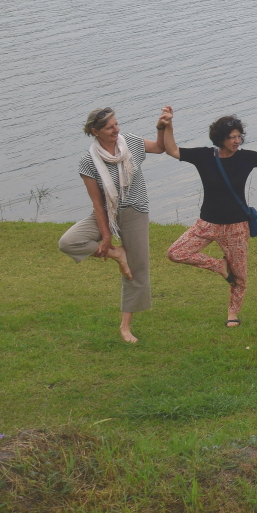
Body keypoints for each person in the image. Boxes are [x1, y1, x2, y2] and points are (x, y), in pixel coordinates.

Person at [58, 105, 172, 343]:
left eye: (116, 124)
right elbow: (97, 204)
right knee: (69, 241)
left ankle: (125, 327)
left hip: (134, 211)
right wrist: (107, 238)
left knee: (137, 270)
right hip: (106, 213)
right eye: (110, 127)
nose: (116, 130)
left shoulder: (129, 142)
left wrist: (162, 126)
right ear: (95, 131)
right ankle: (118, 255)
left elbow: (161, 148)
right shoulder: (88, 161)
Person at [162, 112, 257, 328]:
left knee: (240, 277)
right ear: (220, 139)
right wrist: (167, 124)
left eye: (239, 136)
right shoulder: (205, 156)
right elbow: (171, 149)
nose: (237, 141)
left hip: (236, 227)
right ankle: (219, 266)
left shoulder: (245, 158)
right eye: (231, 137)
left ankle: (232, 313)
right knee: (176, 252)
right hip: (207, 224)